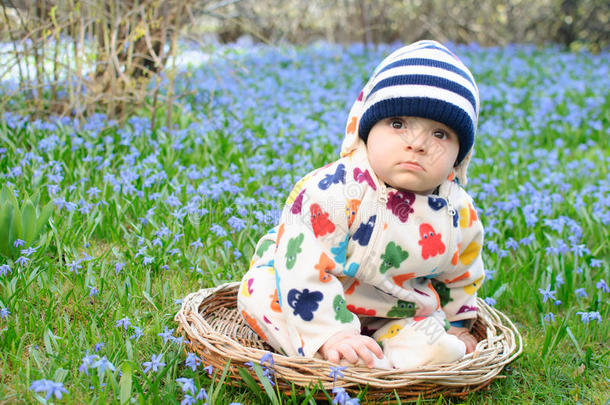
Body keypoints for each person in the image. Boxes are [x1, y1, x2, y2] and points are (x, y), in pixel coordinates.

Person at [237, 40, 485, 370]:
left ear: (458, 158)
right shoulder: (333, 191)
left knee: (432, 339)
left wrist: (457, 325)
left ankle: (390, 356)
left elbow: (462, 274)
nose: (417, 144)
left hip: (396, 312)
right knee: (259, 293)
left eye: (440, 134)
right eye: (398, 124)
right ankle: (328, 347)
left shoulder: (459, 213)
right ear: (366, 132)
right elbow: (303, 269)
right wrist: (334, 333)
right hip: (308, 294)